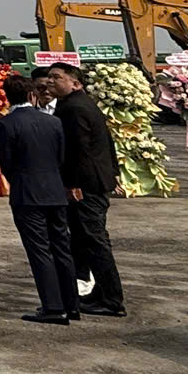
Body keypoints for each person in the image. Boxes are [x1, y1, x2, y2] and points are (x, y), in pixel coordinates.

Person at [42, 64, 126, 317]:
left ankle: (112, 300)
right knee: (87, 240)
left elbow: (78, 151)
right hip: (94, 181)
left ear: (75, 84)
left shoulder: (74, 108)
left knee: (94, 240)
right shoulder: (79, 103)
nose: (50, 81)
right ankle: (101, 292)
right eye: (49, 77)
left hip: (86, 185)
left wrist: (73, 184)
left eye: (57, 77)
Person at [0, 74, 79, 324]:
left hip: (27, 193)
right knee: (62, 247)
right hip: (54, 190)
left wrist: (18, 179)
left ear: (7, 97)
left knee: (39, 250)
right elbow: (61, 156)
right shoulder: (53, 122)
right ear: (32, 95)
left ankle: (53, 306)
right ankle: (71, 304)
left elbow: (5, 161)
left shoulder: (6, 124)